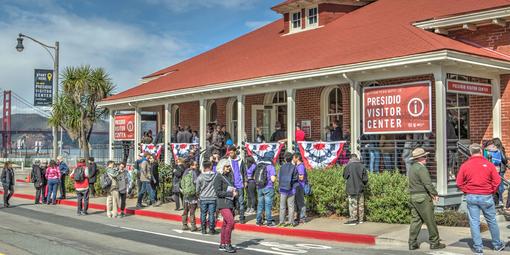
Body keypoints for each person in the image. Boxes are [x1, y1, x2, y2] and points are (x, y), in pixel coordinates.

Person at [457, 143, 505, 254]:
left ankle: (478, 248)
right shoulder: (488, 164)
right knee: (492, 221)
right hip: (486, 195)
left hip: (471, 196)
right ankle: (497, 245)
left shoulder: (465, 165)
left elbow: (459, 182)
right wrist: (491, 190)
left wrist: (466, 190)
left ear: (470, 152)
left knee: (474, 222)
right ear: (481, 151)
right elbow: (497, 181)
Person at [408, 148, 445, 251]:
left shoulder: (412, 168)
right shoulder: (421, 168)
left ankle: (412, 243)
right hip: (422, 197)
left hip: (413, 197)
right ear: (419, 158)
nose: (426, 158)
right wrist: (434, 194)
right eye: (424, 156)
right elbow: (427, 183)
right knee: (430, 221)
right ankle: (435, 242)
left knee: (416, 220)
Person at [214, 159, 237, 253]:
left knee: (225, 224)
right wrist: (230, 194)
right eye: (227, 166)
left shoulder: (229, 175)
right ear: (222, 167)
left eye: (229, 166)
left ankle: (222, 244)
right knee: (231, 222)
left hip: (230, 203)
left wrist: (234, 193)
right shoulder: (218, 177)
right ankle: (228, 244)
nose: (229, 168)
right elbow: (218, 192)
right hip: (223, 203)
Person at [343, 153, 368, 225]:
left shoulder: (348, 166)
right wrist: (363, 185)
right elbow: (365, 179)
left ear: (350, 158)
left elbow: (345, 176)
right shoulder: (362, 166)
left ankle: (353, 220)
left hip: (351, 188)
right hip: (360, 188)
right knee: (361, 204)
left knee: (352, 204)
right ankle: (360, 220)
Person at [196, 161, 218, 235]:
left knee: (203, 214)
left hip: (203, 197)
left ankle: (203, 229)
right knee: (212, 214)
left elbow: (197, 189)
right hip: (212, 197)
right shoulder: (215, 175)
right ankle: (211, 229)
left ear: (203, 167)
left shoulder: (200, 177)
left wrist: (198, 195)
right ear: (210, 166)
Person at [256, 154, 277, 227]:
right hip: (268, 188)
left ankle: (258, 221)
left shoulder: (259, 165)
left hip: (259, 188)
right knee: (268, 205)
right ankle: (269, 221)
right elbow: (273, 179)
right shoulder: (271, 167)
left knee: (260, 205)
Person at [278, 152, 299, 227]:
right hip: (291, 189)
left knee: (282, 206)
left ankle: (282, 222)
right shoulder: (294, 167)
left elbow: (279, 178)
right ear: (292, 159)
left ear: (285, 159)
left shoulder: (281, 167)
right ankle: (291, 222)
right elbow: (296, 178)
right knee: (291, 206)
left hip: (283, 189)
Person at [228, 146, 247, 224]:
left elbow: (244, 171)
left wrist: (245, 181)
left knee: (241, 201)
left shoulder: (240, 160)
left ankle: (241, 218)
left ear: (235, 152)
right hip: (231, 185)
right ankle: (231, 218)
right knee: (231, 202)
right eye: (229, 152)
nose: (230, 154)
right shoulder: (228, 161)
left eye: (232, 152)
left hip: (240, 184)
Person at [181, 161, 200, 231]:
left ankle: (184, 224)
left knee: (185, 210)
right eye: (196, 165)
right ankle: (193, 226)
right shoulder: (194, 172)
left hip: (186, 194)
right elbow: (196, 183)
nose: (197, 166)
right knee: (192, 210)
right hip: (192, 194)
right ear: (192, 165)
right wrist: (197, 192)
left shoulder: (185, 172)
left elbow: (182, 182)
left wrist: (184, 190)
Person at [293, 153, 308, 224]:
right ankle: (298, 217)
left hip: (300, 186)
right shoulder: (297, 166)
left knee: (301, 203)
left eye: (294, 157)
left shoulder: (300, 166)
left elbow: (301, 177)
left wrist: (293, 177)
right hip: (297, 186)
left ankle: (302, 218)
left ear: (297, 158)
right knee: (296, 202)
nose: (293, 159)